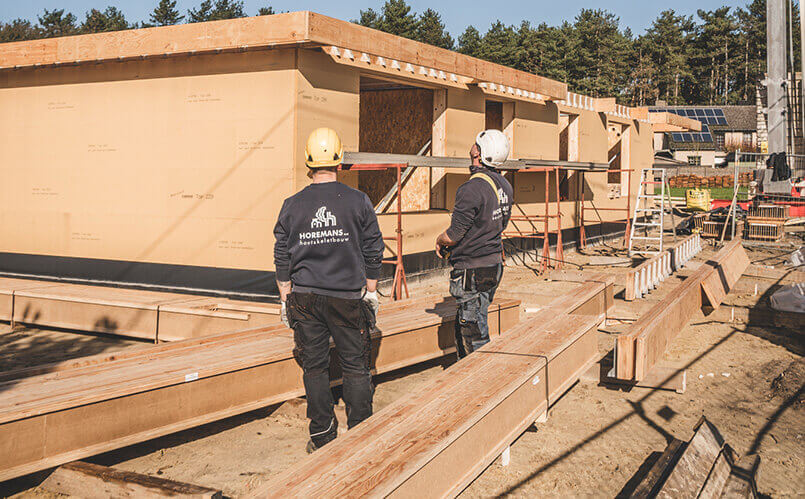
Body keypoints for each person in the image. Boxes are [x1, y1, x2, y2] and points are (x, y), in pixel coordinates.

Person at [273, 127, 384, 452]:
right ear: (340, 161)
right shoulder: (358, 201)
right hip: (347, 297)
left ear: (308, 162)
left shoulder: (292, 205)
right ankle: (361, 433)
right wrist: (372, 290)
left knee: (315, 366)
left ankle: (322, 435)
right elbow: (373, 248)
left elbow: (282, 254)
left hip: (304, 297)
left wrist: (285, 296)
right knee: (354, 365)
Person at [435, 129, 513, 357]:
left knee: (473, 330)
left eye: (475, 144)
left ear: (479, 152)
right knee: (478, 316)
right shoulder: (505, 186)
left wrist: (440, 240)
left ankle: (480, 382)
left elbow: (454, 234)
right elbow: (500, 224)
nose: (472, 146)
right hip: (494, 264)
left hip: (473, 270)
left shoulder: (471, 189)